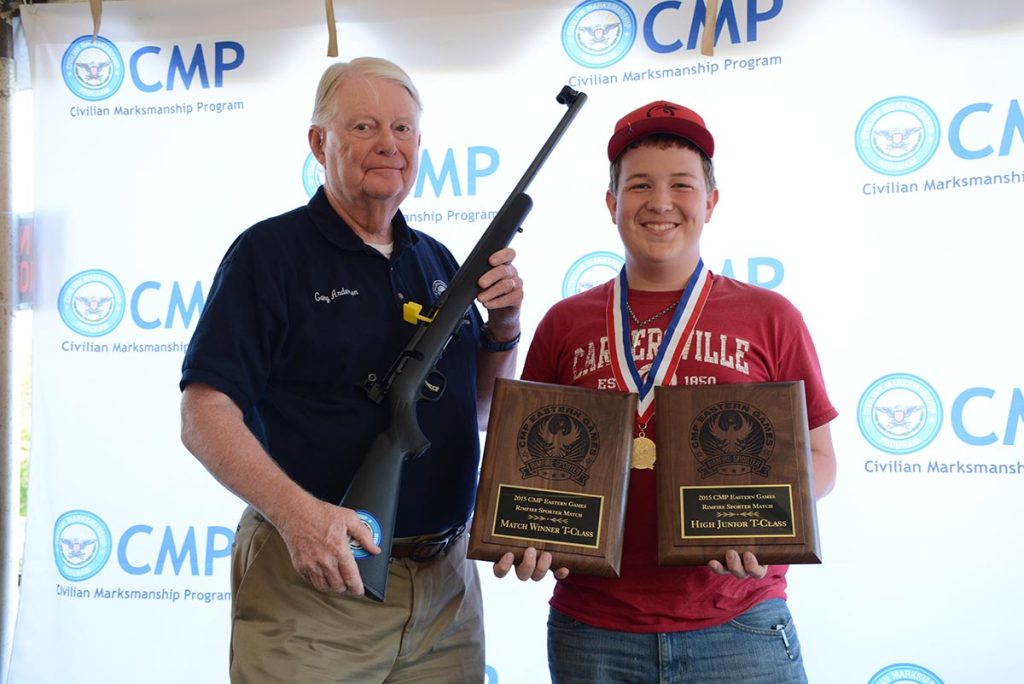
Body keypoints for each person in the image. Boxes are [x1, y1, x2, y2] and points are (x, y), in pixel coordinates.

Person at [179, 57, 523, 683]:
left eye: (403, 129)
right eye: (364, 126)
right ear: (319, 142)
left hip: (446, 593)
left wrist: (504, 328)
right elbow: (204, 413)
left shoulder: (438, 260)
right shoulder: (270, 254)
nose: (389, 145)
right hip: (317, 587)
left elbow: (477, 410)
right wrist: (297, 515)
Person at [494, 100, 838, 683]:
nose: (660, 202)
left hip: (740, 625)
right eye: (638, 186)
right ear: (611, 204)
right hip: (594, 630)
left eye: (682, 184)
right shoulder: (563, 323)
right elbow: (527, 468)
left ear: (710, 201)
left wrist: (772, 521)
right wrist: (527, 535)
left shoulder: (771, 317)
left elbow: (822, 459)